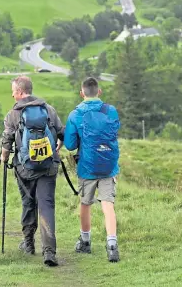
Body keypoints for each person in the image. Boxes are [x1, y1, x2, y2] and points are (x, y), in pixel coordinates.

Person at [0, 75, 64, 267]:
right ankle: (49, 251)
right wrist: (57, 146)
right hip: (48, 167)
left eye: (13, 91)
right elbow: (61, 133)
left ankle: (28, 244)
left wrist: (4, 157)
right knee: (46, 205)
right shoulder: (48, 110)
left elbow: (7, 141)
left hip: (25, 168)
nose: (12, 94)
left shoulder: (14, 113)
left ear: (20, 92)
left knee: (28, 202)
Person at [63, 77, 121, 263]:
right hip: (108, 166)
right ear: (99, 91)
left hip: (87, 166)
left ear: (82, 93)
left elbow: (70, 145)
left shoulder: (75, 114)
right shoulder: (111, 111)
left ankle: (85, 241)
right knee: (108, 204)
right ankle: (112, 245)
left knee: (86, 203)